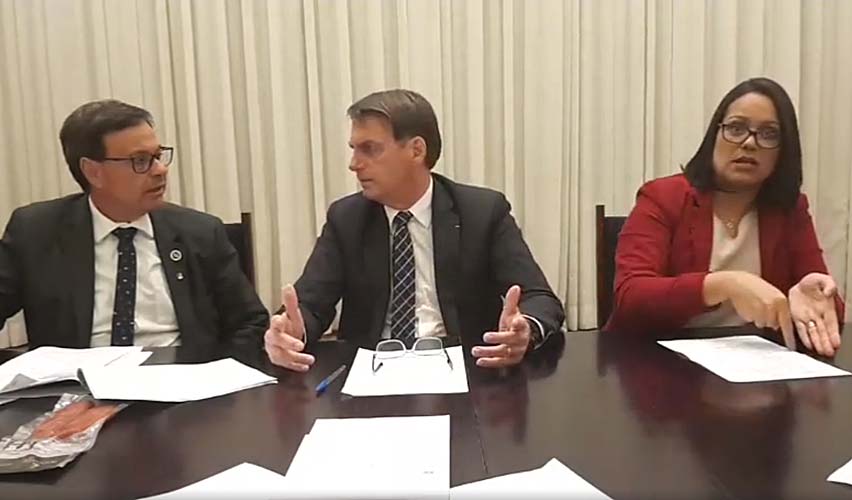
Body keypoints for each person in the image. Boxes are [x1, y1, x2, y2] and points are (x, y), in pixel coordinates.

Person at [264, 89, 564, 371]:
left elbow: (540, 299)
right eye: (354, 150)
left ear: (416, 150)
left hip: (468, 369)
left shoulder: (482, 212)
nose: (354, 164)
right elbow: (310, 304)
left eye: (369, 149)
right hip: (374, 370)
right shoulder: (347, 218)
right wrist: (290, 332)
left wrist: (524, 329)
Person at [0, 99, 268, 352]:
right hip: (76, 381)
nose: (160, 170)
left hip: (179, 378)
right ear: (93, 171)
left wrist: (217, 375)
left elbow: (250, 323)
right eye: (140, 160)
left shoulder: (201, 232)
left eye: (158, 156)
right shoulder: (36, 231)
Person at [606, 77, 844, 356]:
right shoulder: (663, 196)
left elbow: (829, 311)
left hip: (755, 364)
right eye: (736, 128)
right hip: (659, 361)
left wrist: (815, 300)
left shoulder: (789, 209)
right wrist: (725, 284)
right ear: (714, 136)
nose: (749, 143)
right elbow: (631, 297)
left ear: (784, 151)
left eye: (769, 134)